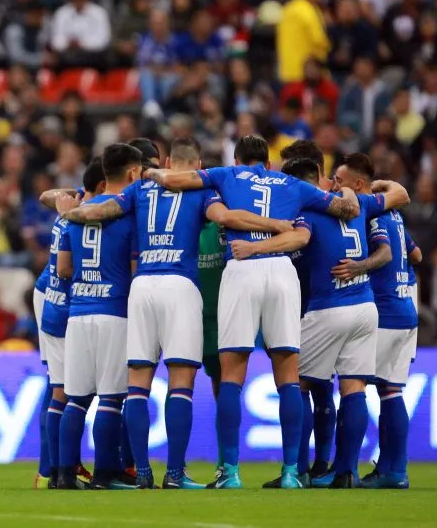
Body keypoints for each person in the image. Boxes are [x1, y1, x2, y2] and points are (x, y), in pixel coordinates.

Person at [58, 137, 291, 489]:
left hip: (142, 287)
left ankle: (143, 474)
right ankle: (175, 474)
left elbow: (99, 210)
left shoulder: (140, 189)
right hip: (180, 285)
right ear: (198, 165)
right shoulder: (201, 191)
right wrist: (278, 226)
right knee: (180, 382)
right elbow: (226, 218)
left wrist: (66, 213)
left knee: (138, 382)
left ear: (167, 160)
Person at [144, 135, 360, 489]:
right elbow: (345, 209)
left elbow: (172, 180)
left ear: (239, 159)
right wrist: (349, 191)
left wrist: (151, 175)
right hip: (281, 271)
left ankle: (229, 472)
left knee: (231, 374)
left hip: (242, 266)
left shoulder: (226, 175)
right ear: (269, 163)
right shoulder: (292, 184)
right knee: (288, 374)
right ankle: (292, 472)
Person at [238, 155, 409, 489]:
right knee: (353, 387)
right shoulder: (359, 202)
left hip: (327, 307)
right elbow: (400, 194)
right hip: (364, 306)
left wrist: (258, 247)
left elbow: (300, 240)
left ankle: (298, 470)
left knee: (299, 383)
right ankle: (346, 472)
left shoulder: (308, 211)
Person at [53, 143, 141, 491]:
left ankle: (63, 474)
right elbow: (135, 271)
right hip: (113, 311)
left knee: (75, 397)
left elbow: (63, 267)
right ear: (133, 173)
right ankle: (105, 474)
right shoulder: (129, 214)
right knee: (110, 396)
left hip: (78, 312)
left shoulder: (75, 212)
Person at [333, 153, 417, 490]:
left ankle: (347, 469)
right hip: (406, 308)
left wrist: (357, 267)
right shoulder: (396, 215)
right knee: (391, 391)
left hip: (384, 311)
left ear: (357, 185)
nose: (335, 186)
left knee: (355, 387)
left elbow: (383, 254)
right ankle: (394, 470)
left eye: (339, 181)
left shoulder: (373, 212)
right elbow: (417, 254)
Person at [37, 158, 104, 490]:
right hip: (67, 312)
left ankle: (57, 469)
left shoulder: (70, 212)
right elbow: (65, 270)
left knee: (60, 390)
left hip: (53, 306)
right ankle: (58, 471)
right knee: (65, 393)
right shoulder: (82, 217)